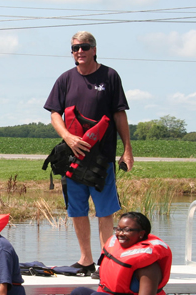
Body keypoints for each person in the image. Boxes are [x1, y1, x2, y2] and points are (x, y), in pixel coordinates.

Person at [44, 31, 134, 277]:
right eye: (75, 48)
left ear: (94, 49)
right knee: (77, 209)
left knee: (105, 210)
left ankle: (107, 261)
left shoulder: (110, 76)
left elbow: (119, 114)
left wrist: (127, 150)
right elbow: (54, 113)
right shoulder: (65, 79)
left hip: (102, 157)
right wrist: (68, 137)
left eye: (84, 47)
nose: (80, 51)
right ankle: (86, 260)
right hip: (73, 156)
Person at [62, 212, 172, 295]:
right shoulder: (118, 252)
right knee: (78, 294)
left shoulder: (149, 268)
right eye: (118, 229)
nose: (120, 234)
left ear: (141, 234)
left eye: (127, 230)